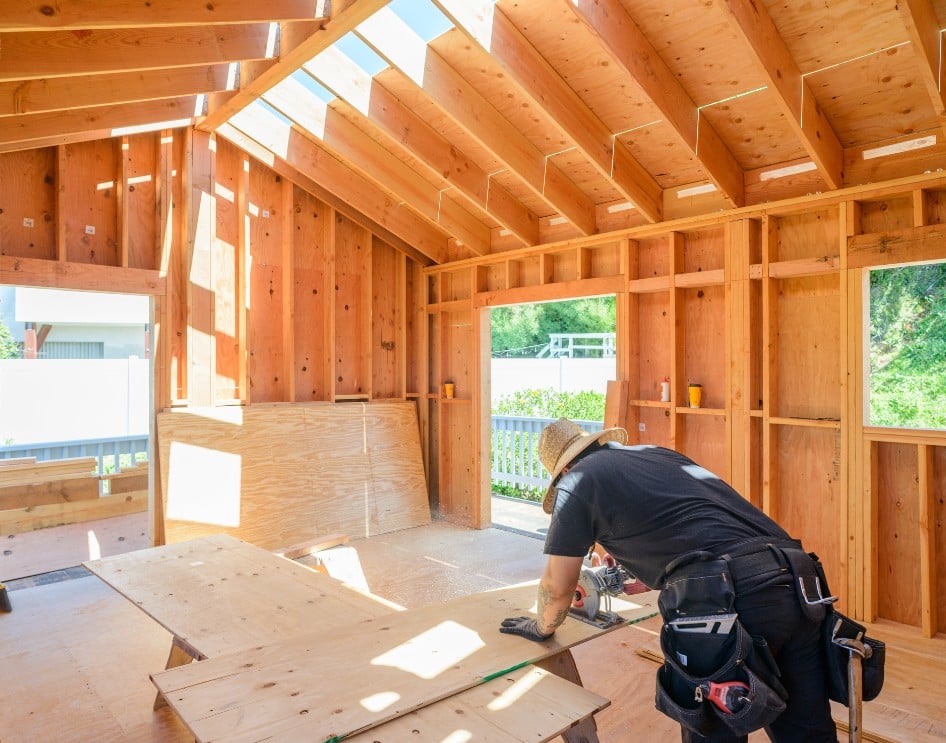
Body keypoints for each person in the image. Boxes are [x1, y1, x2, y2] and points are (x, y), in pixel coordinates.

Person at [498, 418, 837, 743]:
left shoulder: (577, 482)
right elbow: (701, 526)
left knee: (713, 731)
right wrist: (651, 572)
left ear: (564, 471)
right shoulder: (657, 455)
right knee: (807, 731)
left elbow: (558, 589)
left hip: (727, 599)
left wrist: (540, 627)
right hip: (799, 582)